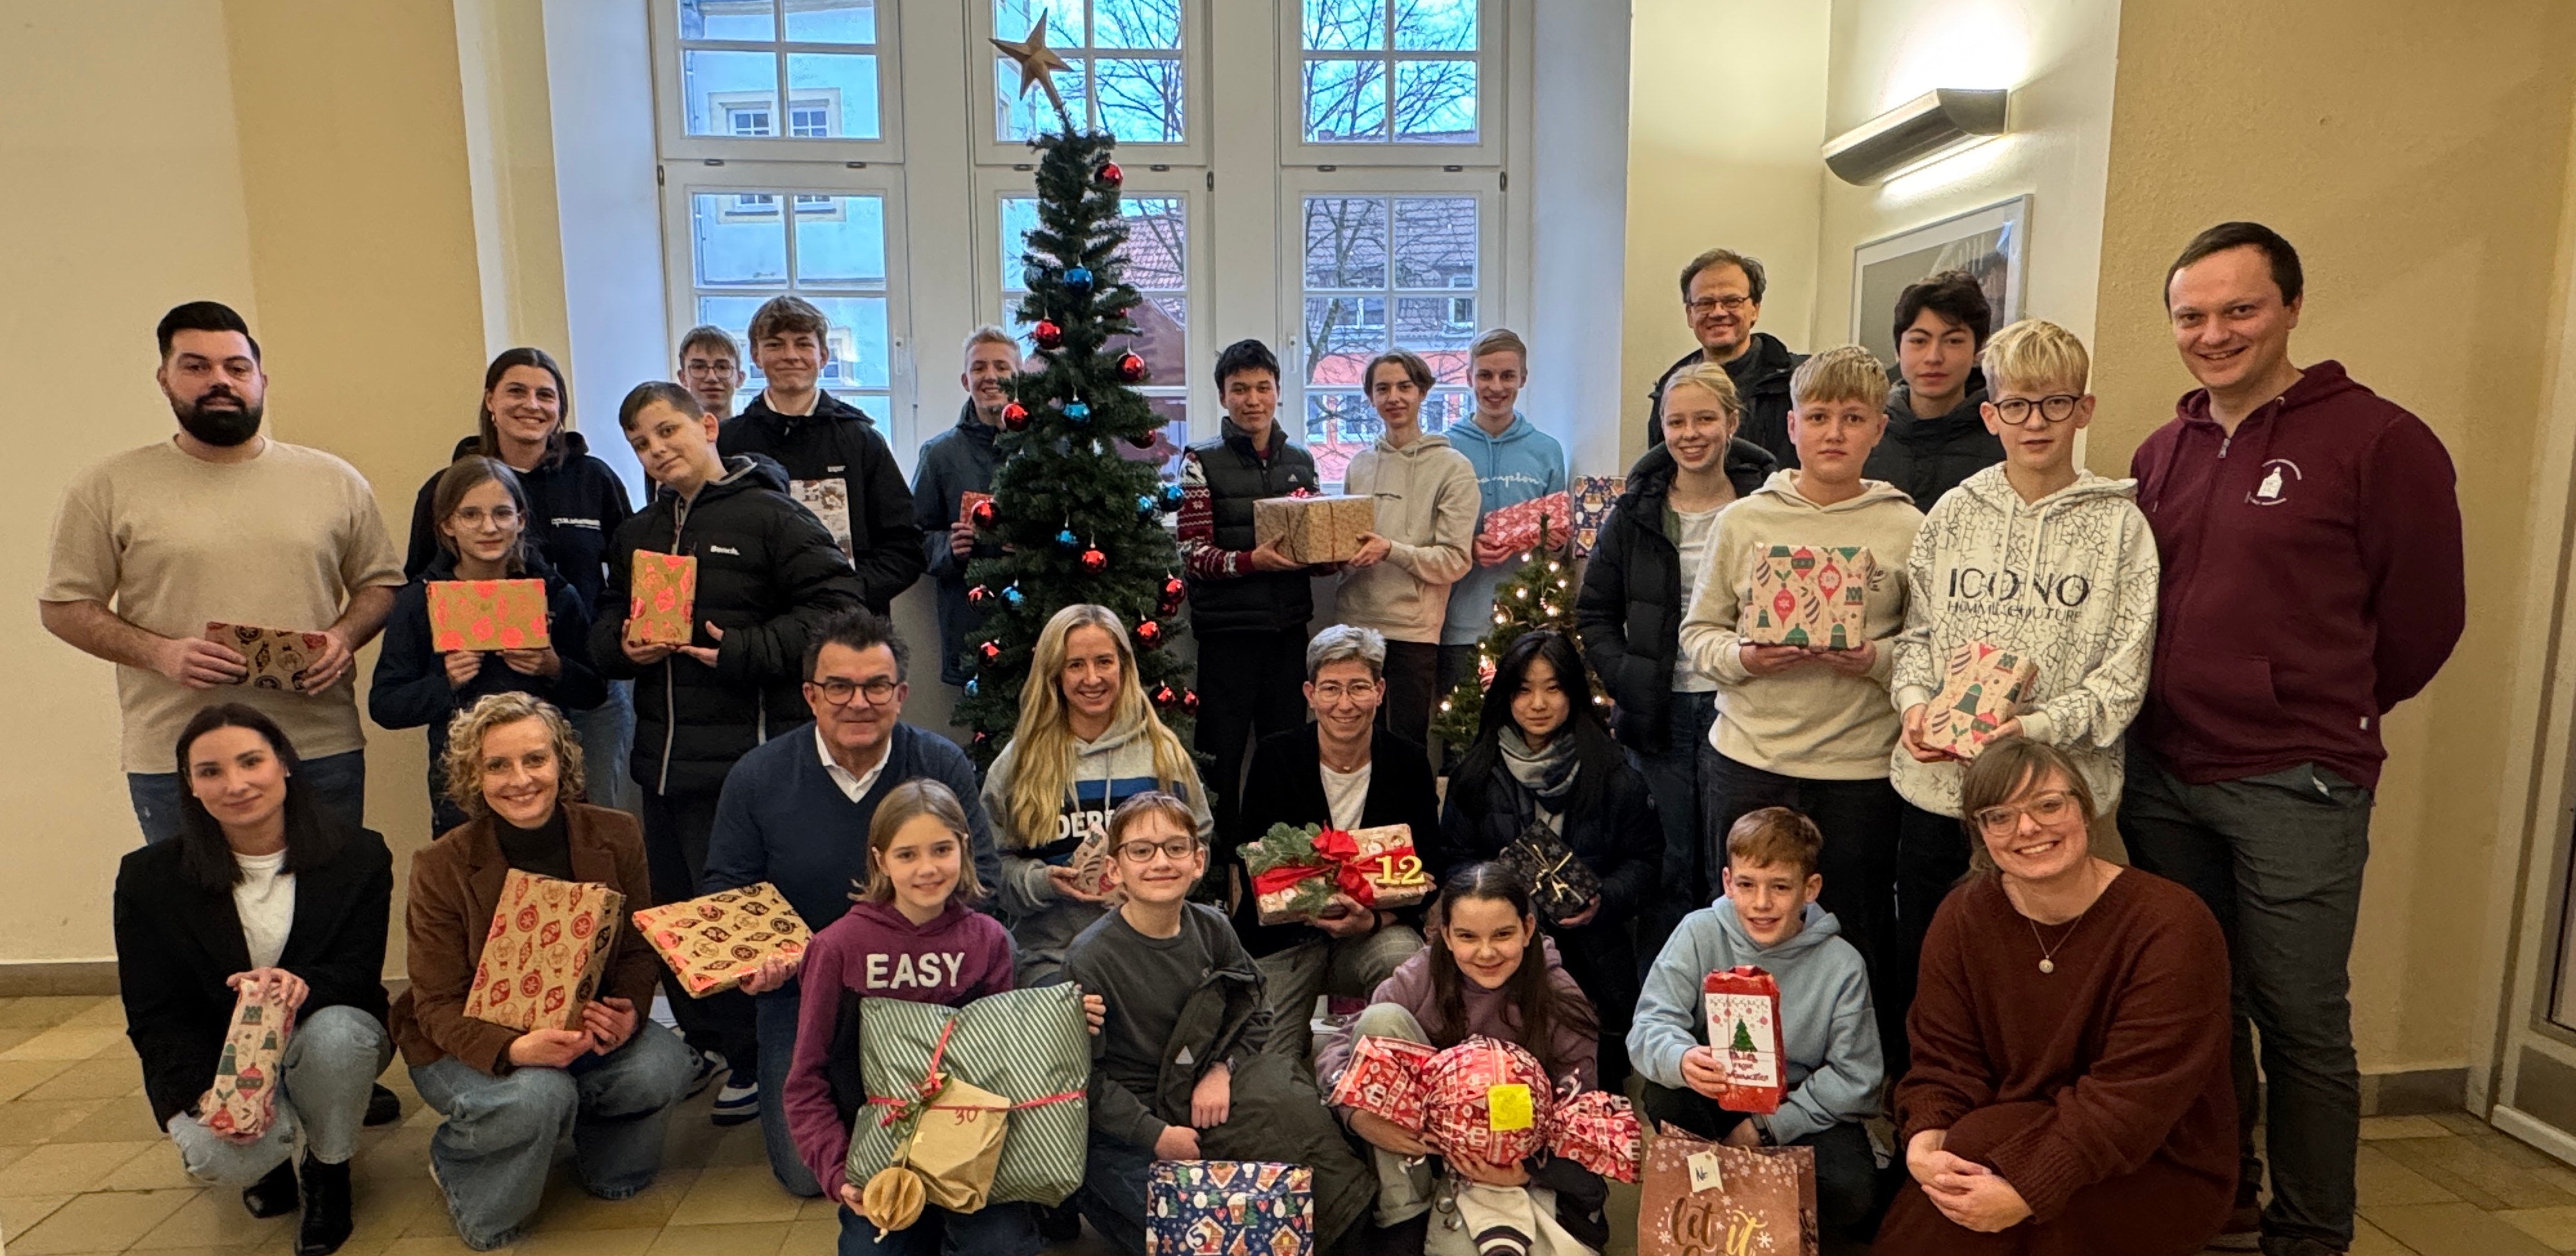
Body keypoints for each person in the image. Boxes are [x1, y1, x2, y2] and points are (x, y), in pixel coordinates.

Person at [2118, 222, 2463, 1256]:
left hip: (2296, 782)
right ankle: (2222, 1192)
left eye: (2240, 309)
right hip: (2166, 772)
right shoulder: (2162, 449)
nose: (2214, 333)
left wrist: (2316, 710)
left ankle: (2310, 1231)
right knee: (2200, 1005)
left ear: (2292, 307)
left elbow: (2424, 622)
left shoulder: (2379, 440)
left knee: (2300, 1017)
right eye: (2192, 315)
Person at [1886, 318, 2157, 1082]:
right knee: (1935, 977)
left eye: (2053, 403)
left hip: (2057, 808)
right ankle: (1929, 1135)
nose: (2034, 422)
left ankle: (2035, 1135)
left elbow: (2121, 679)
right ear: (1989, 414)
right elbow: (1916, 638)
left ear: (2084, 410)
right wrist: (1913, 706)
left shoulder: (2120, 530)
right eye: (2016, 406)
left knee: (2044, 985)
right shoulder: (1950, 516)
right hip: (1941, 795)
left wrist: (2030, 727)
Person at [591, 381, 867, 1125]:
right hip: (661, 762)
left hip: (745, 762)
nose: (657, 450)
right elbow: (607, 621)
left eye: (667, 431)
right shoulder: (638, 532)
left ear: (707, 425)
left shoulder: (773, 516)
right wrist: (622, 644)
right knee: (678, 917)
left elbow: (841, 609)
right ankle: (713, 1047)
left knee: (739, 920)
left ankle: (762, 1059)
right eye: (641, 443)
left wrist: (745, 651)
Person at [43, 300, 402, 844]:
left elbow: (381, 585)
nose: (220, 381)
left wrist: (343, 638)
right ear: (164, 378)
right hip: (178, 757)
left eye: (236, 368)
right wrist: (160, 653)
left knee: (328, 916)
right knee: (195, 921)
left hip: (317, 746)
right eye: (196, 367)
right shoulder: (109, 486)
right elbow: (63, 607)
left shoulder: (335, 480)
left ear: (261, 379)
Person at [1877, 739, 2235, 1255]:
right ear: (1979, 832)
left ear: (2085, 809)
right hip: (2005, 1134)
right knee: (1963, 1164)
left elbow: (2132, 1101)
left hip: (2155, 1157)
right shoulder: (1963, 916)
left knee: (1983, 1174)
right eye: (2000, 815)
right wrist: (1925, 1136)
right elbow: (1943, 1059)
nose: (2027, 829)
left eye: (2048, 805)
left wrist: (2029, 1189)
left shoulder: (2171, 925)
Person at [699, 609, 1003, 1196]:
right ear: (811, 694)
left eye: (876, 686)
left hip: (927, 989)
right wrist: (756, 962)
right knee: (804, 1175)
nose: (858, 702)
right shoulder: (757, 776)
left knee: (947, 1146)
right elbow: (725, 892)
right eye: (839, 686)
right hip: (803, 994)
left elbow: (982, 879)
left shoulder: (939, 764)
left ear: (901, 694)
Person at [389, 693, 694, 1252]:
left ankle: (590, 1146)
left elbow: (636, 950)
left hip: (583, 1027)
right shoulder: (440, 865)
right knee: (537, 1096)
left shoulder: (616, 832)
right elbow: (434, 1004)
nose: (520, 779)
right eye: (497, 765)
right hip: (466, 1040)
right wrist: (514, 1050)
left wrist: (628, 1010)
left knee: (663, 1063)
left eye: (536, 759)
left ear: (562, 762)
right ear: (472, 776)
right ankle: (458, 1154)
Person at [1677, 344, 1922, 1016]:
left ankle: (1845, 1081)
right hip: (1752, 759)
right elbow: (1697, 637)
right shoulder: (1744, 520)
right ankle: (1735, 1073)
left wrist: (1871, 658)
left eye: (1852, 417)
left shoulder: (1908, 527)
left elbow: (1928, 650)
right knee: (1741, 928)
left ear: (1878, 427)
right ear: (1791, 428)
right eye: (1817, 417)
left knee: (1854, 927)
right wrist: (1744, 659)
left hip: (1858, 770)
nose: (1834, 433)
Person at [113, 705, 393, 1256]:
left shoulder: (359, 855)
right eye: (211, 771)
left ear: (285, 764)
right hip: (218, 1053)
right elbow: (154, 1013)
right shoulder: (149, 878)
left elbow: (359, 975)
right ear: (189, 786)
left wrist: (300, 983)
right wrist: (204, 1093)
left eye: (251, 762)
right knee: (225, 1155)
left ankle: (328, 1169)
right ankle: (268, 1157)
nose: (236, 784)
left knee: (341, 1037)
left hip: (320, 1031)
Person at [1064, 792, 1374, 1255]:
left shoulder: (1212, 928)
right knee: (1193, 1219)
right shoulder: (1089, 959)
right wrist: (1158, 1136)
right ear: (1114, 869)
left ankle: (1353, 1228)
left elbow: (1255, 1008)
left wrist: (1222, 1068)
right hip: (1132, 1122)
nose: (1160, 862)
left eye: (1175, 848)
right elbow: (1085, 1079)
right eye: (1141, 850)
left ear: (1198, 860)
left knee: (1287, 1104)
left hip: (1205, 1088)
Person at [782, 779, 1036, 1256]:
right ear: (880, 860)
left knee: (999, 1245)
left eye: (941, 850)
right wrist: (839, 1175)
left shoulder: (989, 940)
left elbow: (1007, 1072)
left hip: (971, 1155)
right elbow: (806, 1081)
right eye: (906, 855)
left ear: (963, 848)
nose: (927, 869)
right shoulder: (836, 948)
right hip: (881, 1161)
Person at [1577, 361, 1777, 957]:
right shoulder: (1636, 511)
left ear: (1732, 422)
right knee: (1666, 865)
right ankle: (1662, 1027)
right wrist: (1632, 681)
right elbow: (1594, 614)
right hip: (1658, 718)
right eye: (1676, 421)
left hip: (1743, 708)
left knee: (1736, 865)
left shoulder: (1768, 505)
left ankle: (1738, 1013)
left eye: (1705, 419)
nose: (1691, 434)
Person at [1318, 862, 1609, 1256]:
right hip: (1424, 1148)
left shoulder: (1560, 996)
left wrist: (1526, 1170)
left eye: (1503, 934)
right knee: (1380, 1020)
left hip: (1514, 1155)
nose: (1486, 952)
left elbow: (1580, 1112)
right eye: (1468, 937)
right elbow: (1342, 1042)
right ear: (1447, 937)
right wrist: (1360, 1117)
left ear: (1527, 929)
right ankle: (1404, 1213)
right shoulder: (1422, 974)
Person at [400, 348, 638, 813]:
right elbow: (422, 583)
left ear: (560, 409)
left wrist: (609, 635)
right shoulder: (446, 486)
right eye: (516, 391)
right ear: (490, 401)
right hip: (480, 688)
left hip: (583, 679)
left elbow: (629, 571)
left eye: (545, 395)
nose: (532, 404)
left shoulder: (594, 479)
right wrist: (448, 667)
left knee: (590, 821)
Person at [1629, 807, 1881, 1242]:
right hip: (1717, 1092)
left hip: (1799, 1107)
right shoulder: (1697, 932)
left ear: (1810, 889)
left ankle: (1782, 1224)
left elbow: (1857, 1077)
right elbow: (1650, 1024)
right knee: (1665, 1094)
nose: (1761, 903)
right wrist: (1682, 1058)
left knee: (1853, 1192)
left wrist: (1768, 1128)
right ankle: (1703, 1207)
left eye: (1780, 888)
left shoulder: (1843, 966)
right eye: (1746, 885)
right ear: (1728, 882)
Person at [1432, 629, 1659, 1082]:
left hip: (1591, 951)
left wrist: (1602, 901)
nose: (1539, 704)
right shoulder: (1476, 774)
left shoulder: (1614, 773)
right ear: (1506, 696)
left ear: (1573, 693)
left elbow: (1647, 866)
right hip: (1498, 943)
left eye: (1553, 688)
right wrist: (1487, 885)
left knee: (1591, 1079)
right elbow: (1452, 860)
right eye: (1524, 690)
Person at [1231, 625, 1436, 1062]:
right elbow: (1255, 862)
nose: (1345, 704)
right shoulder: (1275, 758)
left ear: (1380, 691)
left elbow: (1428, 866)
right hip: (1284, 938)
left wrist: (1374, 922)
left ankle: (1389, 1079)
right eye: (1331, 689)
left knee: (1404, 959)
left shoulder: (1409, 761)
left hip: (1373, 932)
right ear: (1309, 693)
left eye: (1359, 687)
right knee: (1266, 1063)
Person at [985, 604, 1214, 985]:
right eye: (1076, 665)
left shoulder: (1164, 755)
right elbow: (990, 868)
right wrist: (1042, 882)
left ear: (1123, 666)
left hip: (1152, 957)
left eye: (1104, 662)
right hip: (1053, 961)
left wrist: (1157, 881)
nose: (1092, 678)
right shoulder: (1018, 763)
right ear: (1055, 673)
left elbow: (1197, 845)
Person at [374, 457, 605, 835]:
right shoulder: (420, 602)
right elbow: (385, 705)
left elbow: (594, 691)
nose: (489, 527)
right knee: (474, 884)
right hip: (462, 788)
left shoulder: (556, 594)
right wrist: (445, 681)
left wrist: (552, 667)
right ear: (448, 524)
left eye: (502, 513)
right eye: (471, 515)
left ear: (521, 520)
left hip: (545, 777)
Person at [1179, 338, 1325, 842]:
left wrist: (1339, 553)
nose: (1252, 399)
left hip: (1289, 634)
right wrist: (1249, 562)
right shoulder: (1198, 461)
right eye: (1239, 389)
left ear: (1278, 393)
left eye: (1263, 387)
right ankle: (1220, 874)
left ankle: (1282, 868)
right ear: (1223, 397)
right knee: (1220, 759)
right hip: (1227, 636)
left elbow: (1317, 549)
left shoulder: (1303, 462)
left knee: (1285, 757)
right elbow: (1191, 556)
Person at [717, 294, 925, 614]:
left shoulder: (861, 440)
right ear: (756, 356)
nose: (790, 356)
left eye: (803, 344)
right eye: (775, 344)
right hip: (756, 624)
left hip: (850, 625)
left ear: (824, 355)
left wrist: (850, 591)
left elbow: (905, 546)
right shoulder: (726, 443)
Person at [1340, 348, 1478, 747]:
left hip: (1413, 632)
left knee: (1405, 747)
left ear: (1422, 393)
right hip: (1354, 625)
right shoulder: (1359, 466)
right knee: (1353, 743)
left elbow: (1454, 560)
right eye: (1382, 389)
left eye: (1404, 387)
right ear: (1370, 398)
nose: (1393, 398)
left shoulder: (1453, 467)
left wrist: (1391, 550)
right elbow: (1349, 543)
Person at [1440, 329, 1569, 699]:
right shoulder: (1445, 449)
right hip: (1458, 622)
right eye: (1485, 375)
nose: (1496, 387)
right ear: (1469, 378)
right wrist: (1466, 546)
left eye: (1507, 376)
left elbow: (1556, 542)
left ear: (1523, 380)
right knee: (1460, 738)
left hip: (1529, 621)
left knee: (1528, 733)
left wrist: (1556, 543)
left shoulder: (1546, 450)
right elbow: (1428, 532)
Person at [913, 328, 1021, 687]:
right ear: (965, 380)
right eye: (979, 368)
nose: (990, 376)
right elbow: (914, 537)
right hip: (973, 622)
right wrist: (951, 548)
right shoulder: (940, 454)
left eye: (1001, 367)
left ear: (1019, 377)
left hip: (1043, 619)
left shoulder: (1055, 450)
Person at [1645, 248, 1805, 463]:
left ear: (1755, 309)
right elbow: (1659, 478)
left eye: (1732, 301)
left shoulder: (1800, 383)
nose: (1718, 312)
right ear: (1689, 315)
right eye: (1705, 303)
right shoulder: (1669, 391)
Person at [1865, 270, 1999, 507]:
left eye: (1953, 341)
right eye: (1919, 341)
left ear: (1978, 348)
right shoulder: (1868, 435)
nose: (1934, 357)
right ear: (1898, 349)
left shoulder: (2002, 437)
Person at [679, 325, 749, 421]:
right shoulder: (674, 436)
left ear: (740, 378)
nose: (711, 378)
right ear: (683, 377)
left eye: (722, 367)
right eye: (699, 367)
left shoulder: (756, 434)